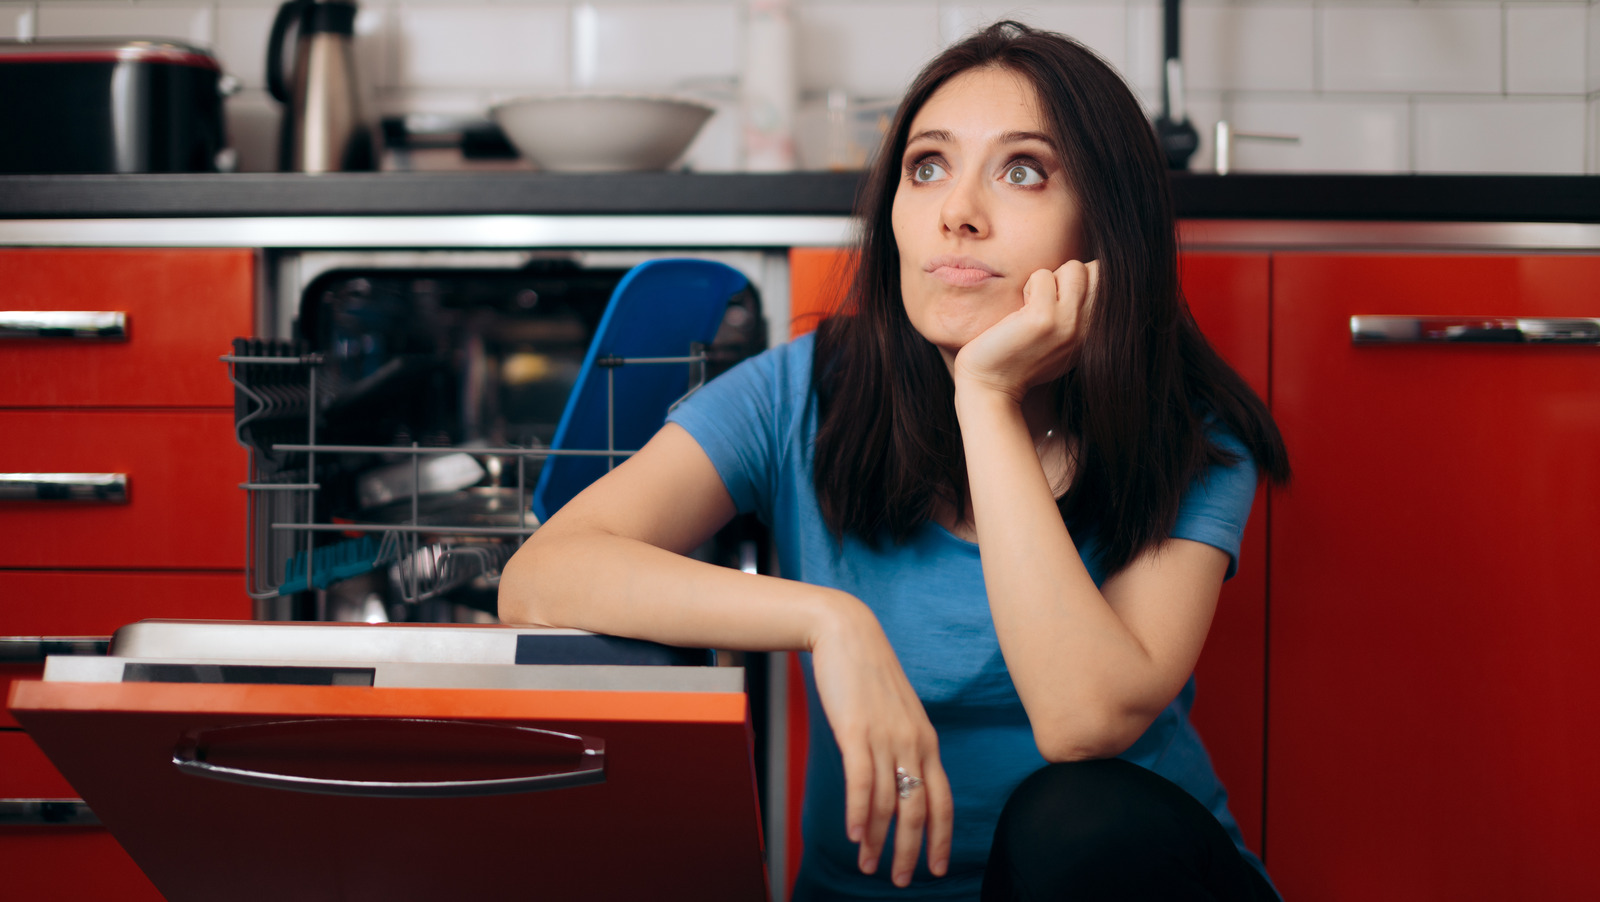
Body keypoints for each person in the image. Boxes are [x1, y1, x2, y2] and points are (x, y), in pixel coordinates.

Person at [499, 20, 1290, 901]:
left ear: (1105, 227)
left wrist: (984, 399)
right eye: (928, 166)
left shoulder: (1186, 427)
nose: (958, 210)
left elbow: (1082, 720)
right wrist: (829, 621)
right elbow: (542, 575)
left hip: (1129, 879)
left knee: (1072, 815)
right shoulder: (802, 392)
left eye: (1022, 170)